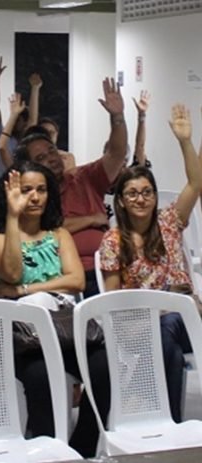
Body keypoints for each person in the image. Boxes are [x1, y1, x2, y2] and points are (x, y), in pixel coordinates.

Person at [0, 161, 110, 457]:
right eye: (26, 190)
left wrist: (23, 291)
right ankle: (49, 452)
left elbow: (77, 281)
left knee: (105, 368)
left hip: (63, 329)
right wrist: (13, 218)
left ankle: (81, 447)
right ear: (10, 194)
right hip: (23, 339)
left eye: (41, 190)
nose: (35, 197)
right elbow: (13, 271)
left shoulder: (59, 234)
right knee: (41, 377)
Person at [99, 104, 201, 423]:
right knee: (165, 329)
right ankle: (167, 420)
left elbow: (196, 185)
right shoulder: (113, 242)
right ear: (121, 201)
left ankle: (159, 415)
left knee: (169, 328)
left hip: (187, 320)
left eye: (146, 192)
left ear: (156, 197)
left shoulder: (170, 223)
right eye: (132, 194)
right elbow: (113, 303)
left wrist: (185, 142)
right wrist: (160, 306)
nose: (140, 199)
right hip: (137, 326)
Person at [14, 77, 128, 297]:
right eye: (41, 157)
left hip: (104, 269)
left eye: (51, 151)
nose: (52, 158)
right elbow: (45, 232)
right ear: (29, 166)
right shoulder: (28, 195)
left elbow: (117, 153)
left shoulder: (84, 178)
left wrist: (117, 117)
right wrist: (90, 219)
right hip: (57, 279)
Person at [0, 55, 40, 178]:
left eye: (19, 120)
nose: (15, 123)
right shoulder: (1, 135)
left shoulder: (27, 140)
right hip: (3, 187)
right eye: (14, 119)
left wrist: (35, 88)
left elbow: (33, 119)